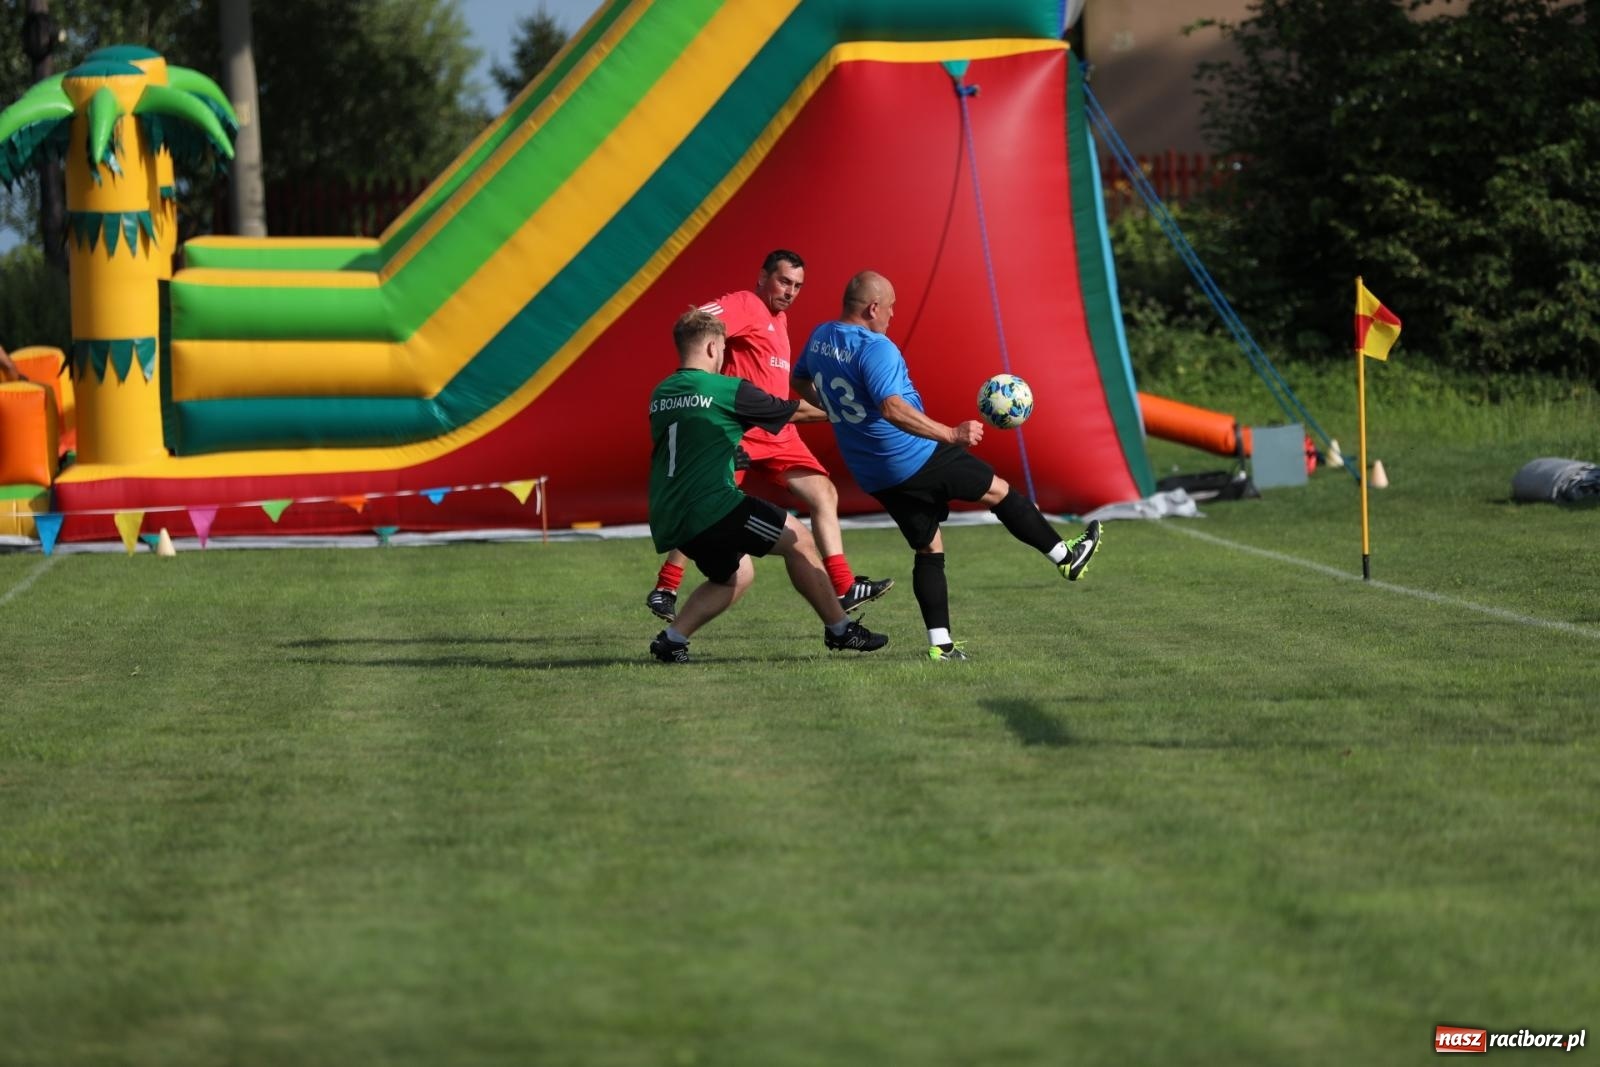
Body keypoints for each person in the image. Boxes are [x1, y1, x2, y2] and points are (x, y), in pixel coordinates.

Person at [793, 271, 1103, 662]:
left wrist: (835, 409)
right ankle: (1065, 556)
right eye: (889, 308)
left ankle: (941, 645)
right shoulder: (877, 348)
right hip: (914, 455)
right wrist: (950, 435)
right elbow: (892, 408)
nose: (891, 316)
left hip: (874, 473)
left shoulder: (821, 336)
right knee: (998, 490)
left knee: (928, 547)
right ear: (873, 308)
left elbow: (800, 378)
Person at [646, 250, 894, 622]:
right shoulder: (745, 304)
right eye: (784, 281)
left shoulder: (780, 320)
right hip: (740, 429)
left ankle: (842, 586)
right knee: (705, 506)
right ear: (762, 277)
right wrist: (700, 389)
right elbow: (698, 325)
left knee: (824, 493)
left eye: (798, 286)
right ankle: (666, 587)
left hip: (779, 432)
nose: (791, 291)